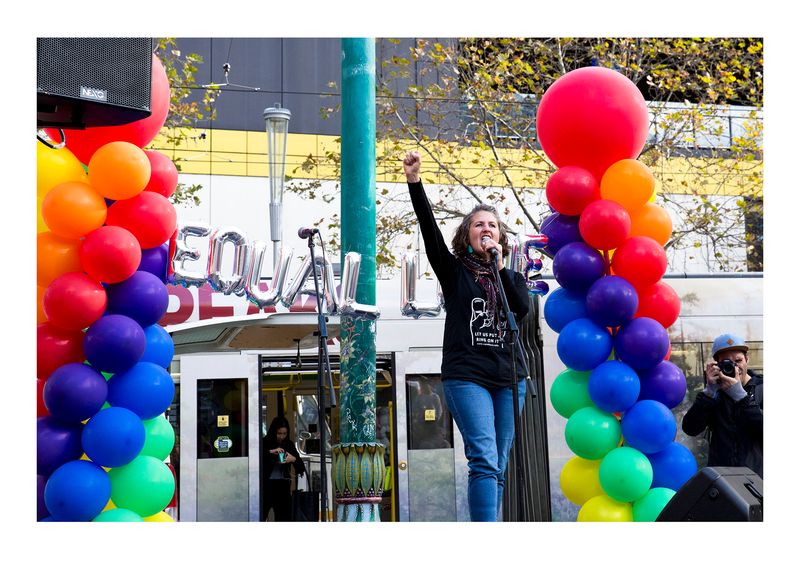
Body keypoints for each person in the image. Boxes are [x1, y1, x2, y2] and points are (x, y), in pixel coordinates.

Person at [402, 151, 530, 521]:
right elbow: (429, 231)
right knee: (485, 459)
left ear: (500, 237)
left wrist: (500, 267)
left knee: (498, 465)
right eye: (478, 225)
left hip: (510, 377)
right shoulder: (454, 271)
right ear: (467, 235)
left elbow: (520, 309)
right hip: (468, 375)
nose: (486, 229)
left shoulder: (511, 277)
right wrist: (414, 182)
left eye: (492, 225)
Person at [682, 333, 763, 477]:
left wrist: (741, 397)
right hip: (723, 478)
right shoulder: (715, 393)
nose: (734, 367)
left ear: (747, 360)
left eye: (738, 360)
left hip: (757, 477)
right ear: (718, 365)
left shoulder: (762, 388)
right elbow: (690, 429)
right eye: (727, 363)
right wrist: (708, 393)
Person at [261, 416, 306, 521]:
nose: (281, 437)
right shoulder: (265, 442)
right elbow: (256, 457)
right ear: (273, 431)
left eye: (284, 434)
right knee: (260, 515)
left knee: (284, 518)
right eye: (279, 433)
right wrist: (271, 452)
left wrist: (293, 459)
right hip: (266, 486)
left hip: (282, 486)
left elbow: (301, 468)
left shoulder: (289, 444)